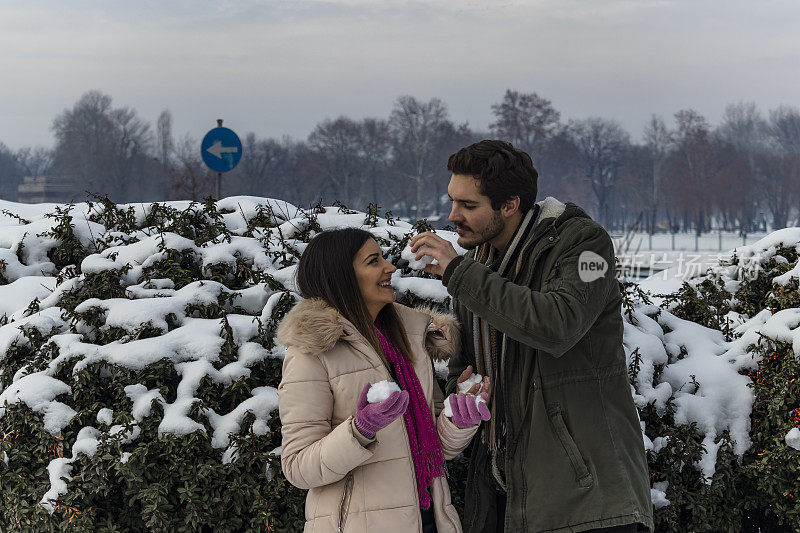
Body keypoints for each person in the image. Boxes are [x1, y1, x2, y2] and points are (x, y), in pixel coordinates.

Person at [408, 140, 653, 532]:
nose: (453, 215)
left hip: (587, 501)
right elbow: (464, 367)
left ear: (510, 205)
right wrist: (466, 397)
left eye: (469, 206)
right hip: (505, 498)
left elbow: (560, 324)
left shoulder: (590, 248)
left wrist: (459, 274)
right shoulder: (477, 267)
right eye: (453, 201)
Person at [277, 228, 492, 533]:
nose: (390, 267)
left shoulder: (410, 340)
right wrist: (360, 430)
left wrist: (458, 418)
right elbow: (298, 467)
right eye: (373, 261)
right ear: (342, 276)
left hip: (430, 518)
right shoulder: (312, 352)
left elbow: (432, 448)